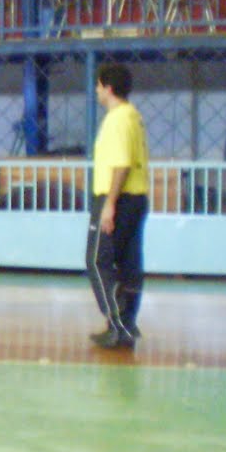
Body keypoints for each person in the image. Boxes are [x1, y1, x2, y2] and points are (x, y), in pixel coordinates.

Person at [87, 61, 149, 349]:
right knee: (128, 264)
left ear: (108, 88)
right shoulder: (134, 116)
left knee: (97, 260)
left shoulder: (117, 119)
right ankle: (128, 322)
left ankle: (118, 323)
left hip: (118, 198)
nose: (96, 91)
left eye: (98, 85)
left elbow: (121, 164)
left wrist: (109, 204)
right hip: (136, 198)